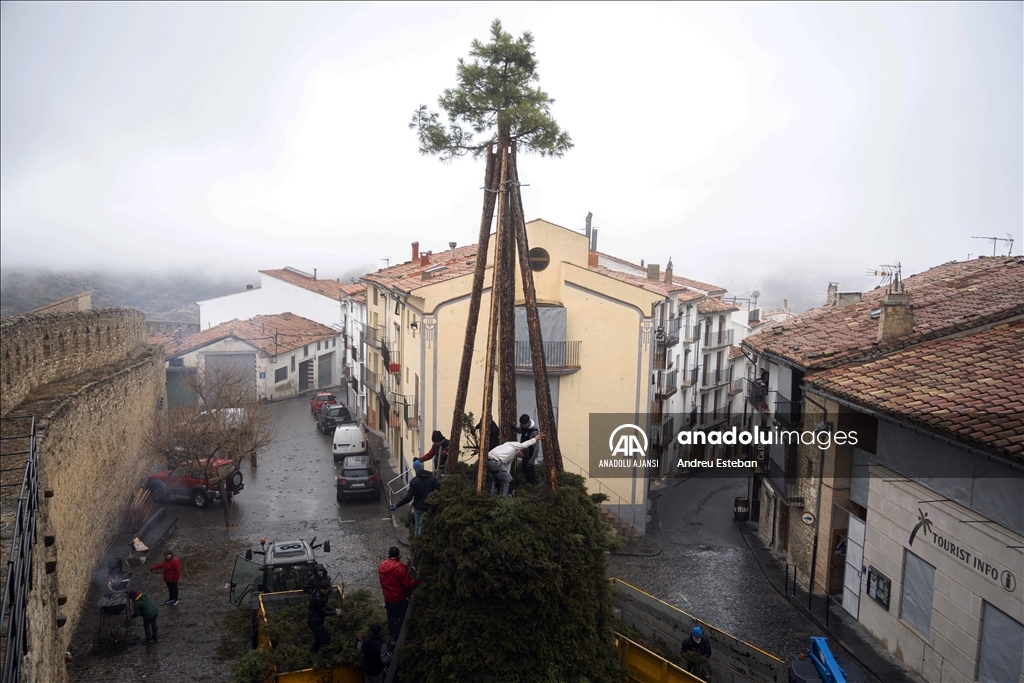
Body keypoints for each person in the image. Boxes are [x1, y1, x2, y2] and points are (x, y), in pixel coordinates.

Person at [378, 547, 419, 643]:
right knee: (399, 618)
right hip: (398, 597)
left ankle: (391, 634)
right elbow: (406, 584)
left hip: (387, 597)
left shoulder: (382, 565)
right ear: (398, 555)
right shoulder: (400, 567)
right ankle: (394, 638)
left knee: (390, 616)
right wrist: (416, 582)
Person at [389, 459, 441, 536]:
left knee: (418, 528)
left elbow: (409, 497)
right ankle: (418, 544)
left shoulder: (414, 481)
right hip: (427, 507)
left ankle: (416, 546)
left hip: (418, 507)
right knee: (422, 528)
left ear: (416, 470)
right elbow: (438, 490)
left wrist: (397, 505)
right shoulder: (432, 478)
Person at [487, 432, 544, 497]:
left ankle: (493, 499)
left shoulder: (512, 453)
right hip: (494, 461)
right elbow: (524, 445)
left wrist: (506, 475)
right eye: (523, 456)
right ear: (522, 451)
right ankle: (505, 501)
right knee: (509, 481)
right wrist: (535, 439)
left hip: (489, 460)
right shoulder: (516, 445)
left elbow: (507, 466)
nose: (521, 457)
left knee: (497, 481)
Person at [308, 579, 341, 654]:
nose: (327, 591)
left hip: (315, 620)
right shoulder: (318, 598)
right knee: (326, 638)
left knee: (318, 638)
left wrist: (333, 609)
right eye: (325, 589)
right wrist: (334, 613)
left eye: (328, 589)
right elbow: (322, 612)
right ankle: (326, 655)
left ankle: (312, 653)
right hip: (316, 622)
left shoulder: (320, 594)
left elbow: (325, 605)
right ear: (321, 588)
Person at [514, 414, 541, 485]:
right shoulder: (523, 426)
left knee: (530, 470)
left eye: (524, 425)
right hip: (524, 452)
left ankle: (533, 484)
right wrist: (515, 428)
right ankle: (527, 483)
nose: (523, 426)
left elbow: (536, 447)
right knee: (524, 468)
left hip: (530, 453)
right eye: (521, 424)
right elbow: (520, 431)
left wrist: (532, 459)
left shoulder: (533, 432)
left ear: (528, 422)